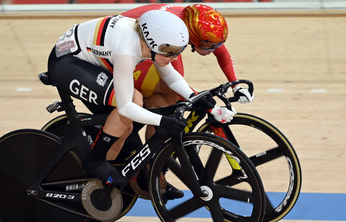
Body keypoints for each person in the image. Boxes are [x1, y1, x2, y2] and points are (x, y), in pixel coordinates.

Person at [44, 10, 235, 197]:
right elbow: (127, 107)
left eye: (180, 51)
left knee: (125, 128)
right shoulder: (127, 49)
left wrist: (202, 102)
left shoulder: (149, 43)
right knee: (132, 102)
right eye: (171, 52)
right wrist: (164, 121)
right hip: (66, 64)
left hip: (90, 60)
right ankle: (95, 161)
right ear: (154, 45)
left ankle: (106, 165)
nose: (175, 58)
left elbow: (172, 78)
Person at [122, 4, 253, 139]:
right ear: (194, 37)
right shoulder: (173, 34)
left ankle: (154, 155)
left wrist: (236, 86)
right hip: (120, 53)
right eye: (209, 46)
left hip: (133, 45)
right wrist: (211, 107)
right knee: (171, 92)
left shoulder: (193, 21)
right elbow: (175, 80)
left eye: (218, 44)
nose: (214, 49)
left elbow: (222, 54)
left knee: (167, 99)